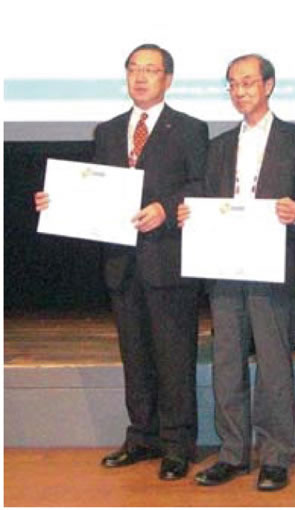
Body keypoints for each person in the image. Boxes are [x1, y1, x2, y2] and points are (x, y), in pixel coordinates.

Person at [35, 44, 209, 481]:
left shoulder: (190, 128)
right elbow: (96, 191)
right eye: (134, 69)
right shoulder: (109, 131)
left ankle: (177, 444)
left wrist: (166, 208)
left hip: (167, 261)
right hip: (122, 264)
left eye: (150, 70)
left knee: (174, 358)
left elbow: (201, 184)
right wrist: (58, 202)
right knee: (135, 357)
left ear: (168, 78)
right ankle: (142, 437)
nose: (141, 77)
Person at [178, 54, 295, 491]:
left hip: (273, 266)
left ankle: (275, 456)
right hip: (224, 266)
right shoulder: (219, 145)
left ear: (269, 85)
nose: (239, 91)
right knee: (226, 364)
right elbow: (205, 197)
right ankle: (232, 453)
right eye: (232, 84)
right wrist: (189, 214)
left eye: (247, 82)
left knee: (274, 364)